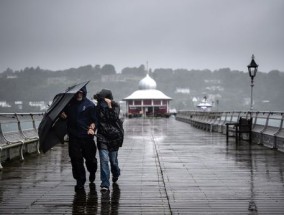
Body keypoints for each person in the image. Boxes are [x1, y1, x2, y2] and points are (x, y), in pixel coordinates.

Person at [61, 86, 98, 192]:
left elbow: (95, 120)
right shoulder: (68, 105)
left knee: (90, 159)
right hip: (73, 137)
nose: (79, 94)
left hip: (87, 137)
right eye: (77, 92)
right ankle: (80, 181)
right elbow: (64, 117)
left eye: (81, 92)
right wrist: (62, 115)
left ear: (84, 93)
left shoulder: (90, 105)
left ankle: (92, 171)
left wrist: (92, 128)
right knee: (75, 160)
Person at [94, 89, 122, 192]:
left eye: (103, 100)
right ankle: (104, 183)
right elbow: (95, 120)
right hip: (102, 136)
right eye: (100, 100)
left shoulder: (116, 106)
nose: (102, 102)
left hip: (114, 136)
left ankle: (116, 173)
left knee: (113, 162)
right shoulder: (97, 108)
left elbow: (113, 119)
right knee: (104, 159)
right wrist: (92, 128)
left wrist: (110, 106)